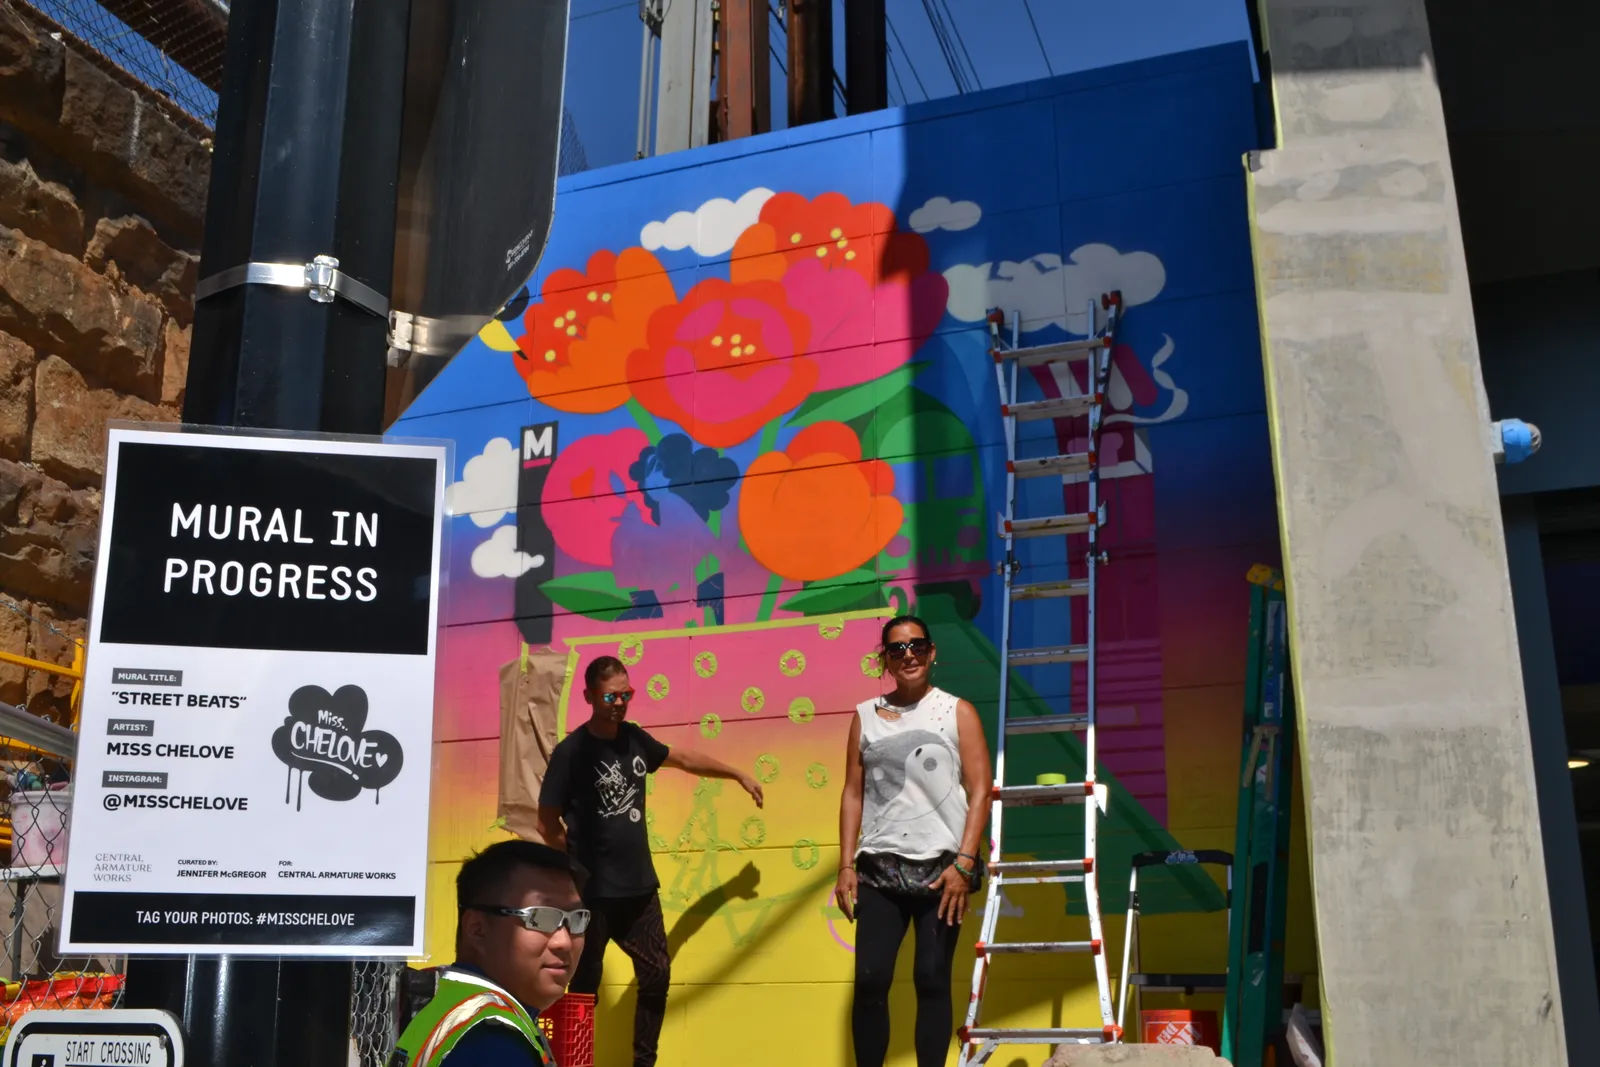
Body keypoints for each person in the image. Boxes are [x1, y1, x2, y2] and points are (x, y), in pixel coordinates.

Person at [536, 654, 764, 1067]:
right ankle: (574, 1062)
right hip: (592, 894)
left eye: (626, 694)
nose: (620, 703)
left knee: (657, 975)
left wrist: (737, 774)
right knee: (585, 986)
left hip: (640, 889)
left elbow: (685, 759)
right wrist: (569, 874)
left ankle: (644, 1062)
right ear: (589, 696)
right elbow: (546, 820)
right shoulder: (572, 752)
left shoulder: (635, 739)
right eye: (611, 695)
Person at [834, 614, 993, 1067]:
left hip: (943, 869)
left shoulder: (957, 711)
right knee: (869, 980)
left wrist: (965, 862)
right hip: (879, 867)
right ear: (884, 659)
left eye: (917, 646)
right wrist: (846, 865)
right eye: (897, 649)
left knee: (931, 978)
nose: (909, 656)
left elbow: (981, 789)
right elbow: (852, 792)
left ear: (932, 652)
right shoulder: (865, 715)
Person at [392, 839, 589, 1066]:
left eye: (577, 919)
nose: (564, 941)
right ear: (477, 930)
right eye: (540, 918)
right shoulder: (494, 1042)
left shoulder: (452, 1002)